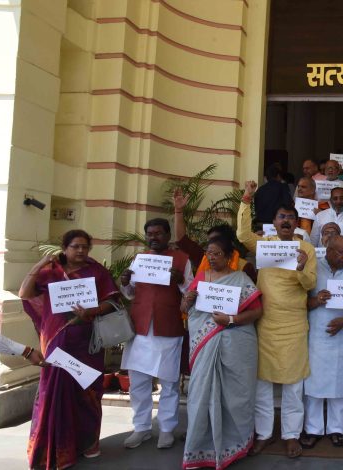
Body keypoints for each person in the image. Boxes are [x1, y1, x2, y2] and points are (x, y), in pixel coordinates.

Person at [19, 230, 119, 469]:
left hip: (87, 342)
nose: (81, 251)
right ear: (64, 248)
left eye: (85, 246)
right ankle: (55, 448)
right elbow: (25, 293)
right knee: (55, 392)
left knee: (88, 390)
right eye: (75, 246)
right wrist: (41, 263)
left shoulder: (96, 271)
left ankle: (88, 443)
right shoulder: (50, 272)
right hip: (56, 341)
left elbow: (112, 302)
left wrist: (92, 311)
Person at [236, 186, 317, 459]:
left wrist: (301, 267)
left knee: (294, 385)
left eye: (291, 218)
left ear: (296, 223)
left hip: (294, 326)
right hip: (266, 324)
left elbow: (310, 284)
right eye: (282, 217)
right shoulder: (266, 243)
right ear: (274, 221)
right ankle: (263, 434)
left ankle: (291, 434)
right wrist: (246, 200)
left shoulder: (306, 249)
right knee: (263, 385)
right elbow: (242, 235)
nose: (286, 221)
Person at [181, 237, 263, 470]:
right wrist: (187, 300)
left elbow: (257, 312)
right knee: (200, 395)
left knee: (235, 397)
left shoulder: (241, 279)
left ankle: (234, 446)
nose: (211, 257)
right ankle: (199, 450)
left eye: (217, 253)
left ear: (229, 257)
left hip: (236, 345)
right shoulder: (201, 278)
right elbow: (185, 309)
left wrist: (230, 320)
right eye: (209, 253)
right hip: (205, 345)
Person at [119, 219, 193, 450]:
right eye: (149, 234)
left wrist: (181, 281)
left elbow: (191, 293)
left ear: (168, 235)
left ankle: (167, 429)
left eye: (158, 233)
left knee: (169, 382)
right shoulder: (139, 259)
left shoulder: (182, 259)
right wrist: (124, 283)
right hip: (140, 327)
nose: (153, 237)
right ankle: (141, 428)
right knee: (138, 382)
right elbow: (131, 293)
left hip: (168, 327)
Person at [300, 236, 343, 449]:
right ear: (328, 250)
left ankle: (338, 429)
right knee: (314, 384)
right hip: (316, 335)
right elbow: (299, 300)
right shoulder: (313, 268)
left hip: (342, 335)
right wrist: (317, 300)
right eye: (340, 252)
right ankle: (313, 429)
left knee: (339, 383)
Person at [172, 188, 255, 280]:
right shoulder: (204, 257)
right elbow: (181, 240)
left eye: (216, 242)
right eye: (210, 242)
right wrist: (178, 211)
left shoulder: (245, 267)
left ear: (228, 246)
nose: (211, 247)